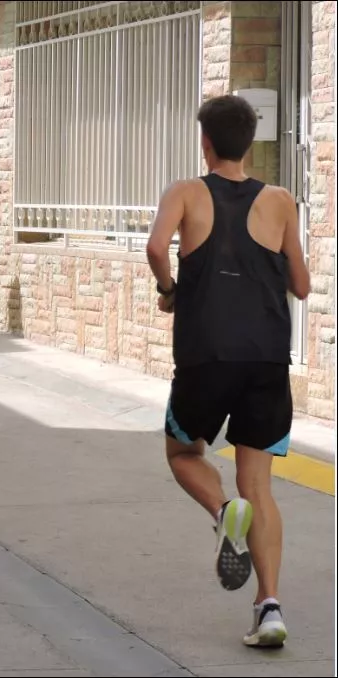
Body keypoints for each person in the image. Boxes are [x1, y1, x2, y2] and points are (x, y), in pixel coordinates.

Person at [145, 94, 310, 649]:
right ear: (251, 141)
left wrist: (171, 289)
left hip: (205, 353)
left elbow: (155, 247)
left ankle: (222, 514)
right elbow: (303, 285)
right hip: (267, 355)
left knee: (183, 452)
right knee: (259, 483)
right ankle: (269, 609)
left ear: (205, 142)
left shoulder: (187, 192)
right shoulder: (282, 200)